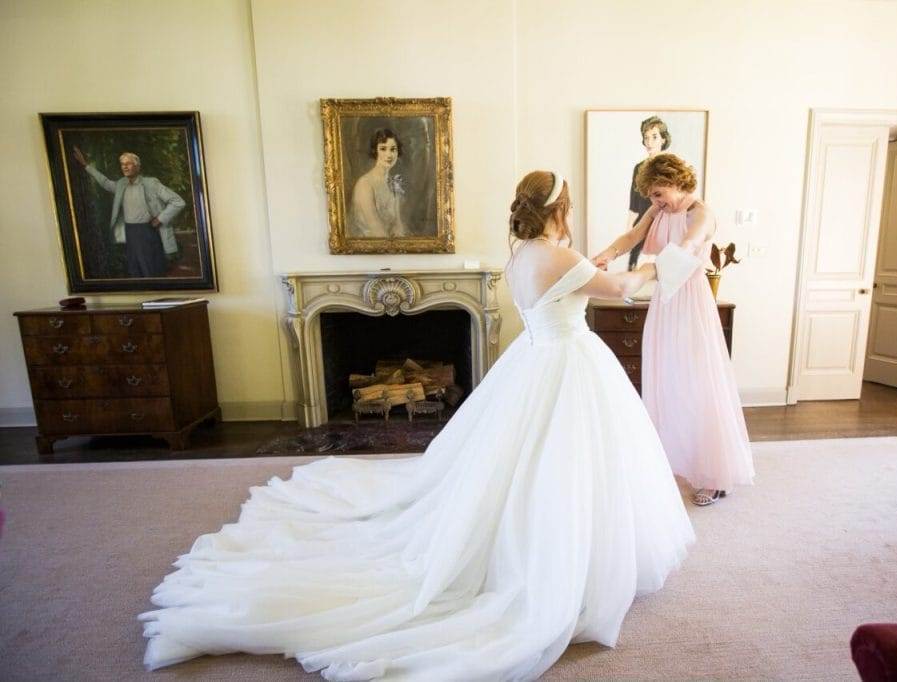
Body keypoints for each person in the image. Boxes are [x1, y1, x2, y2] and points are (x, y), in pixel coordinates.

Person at [138, 170, 694, 681]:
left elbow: (588, 266)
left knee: (526, 468)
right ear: (560, 208)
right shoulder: (556, 257)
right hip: (566, 364)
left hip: (536, 359)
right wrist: (673, 256)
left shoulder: (525, 254)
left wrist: (637, 233)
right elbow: (620, 288)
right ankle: (563, 556)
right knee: (564, 465)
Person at [593, 154, 754, 506]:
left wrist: (641, 276)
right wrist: (606, 255)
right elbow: (633, 235)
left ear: (678, 183)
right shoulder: (659, 211)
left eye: (659, 193)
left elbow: (688, 248)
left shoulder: (701, 213)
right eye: (651, 196)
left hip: (691, 302)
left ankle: (715, 476)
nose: (655, 202)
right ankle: (676, 461)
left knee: (697, 382)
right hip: (665, 300)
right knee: (668, 380)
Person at [72, 147, 185, 278]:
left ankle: (156, 294)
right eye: (122, 164)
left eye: (128, 163)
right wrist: (86, 165)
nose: (125, 167)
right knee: (134, 270)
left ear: (137, 167)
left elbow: (178, 201)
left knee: (151, 271)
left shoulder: (151, 183)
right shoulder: (121, 184)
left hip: (147, 232)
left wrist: (160, 219)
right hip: (130, 232)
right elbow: (105, 182)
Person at [625, 116, 671, 271]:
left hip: (663, 222)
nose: (649, 142)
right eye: (646, 137)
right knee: (633, 265)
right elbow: (634, 201)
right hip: (641, 223)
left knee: (660, 268)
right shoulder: (639, 168)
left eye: (654, 137)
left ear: (663, 140)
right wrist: (629, 230)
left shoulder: (670, 167)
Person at [348, 128, 408, 238]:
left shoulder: (394, 183)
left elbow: (398, 225)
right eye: (383, 149)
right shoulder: (365, 184)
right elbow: (376, 230)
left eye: (393, 149)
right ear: (375, 151)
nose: (389, 155)